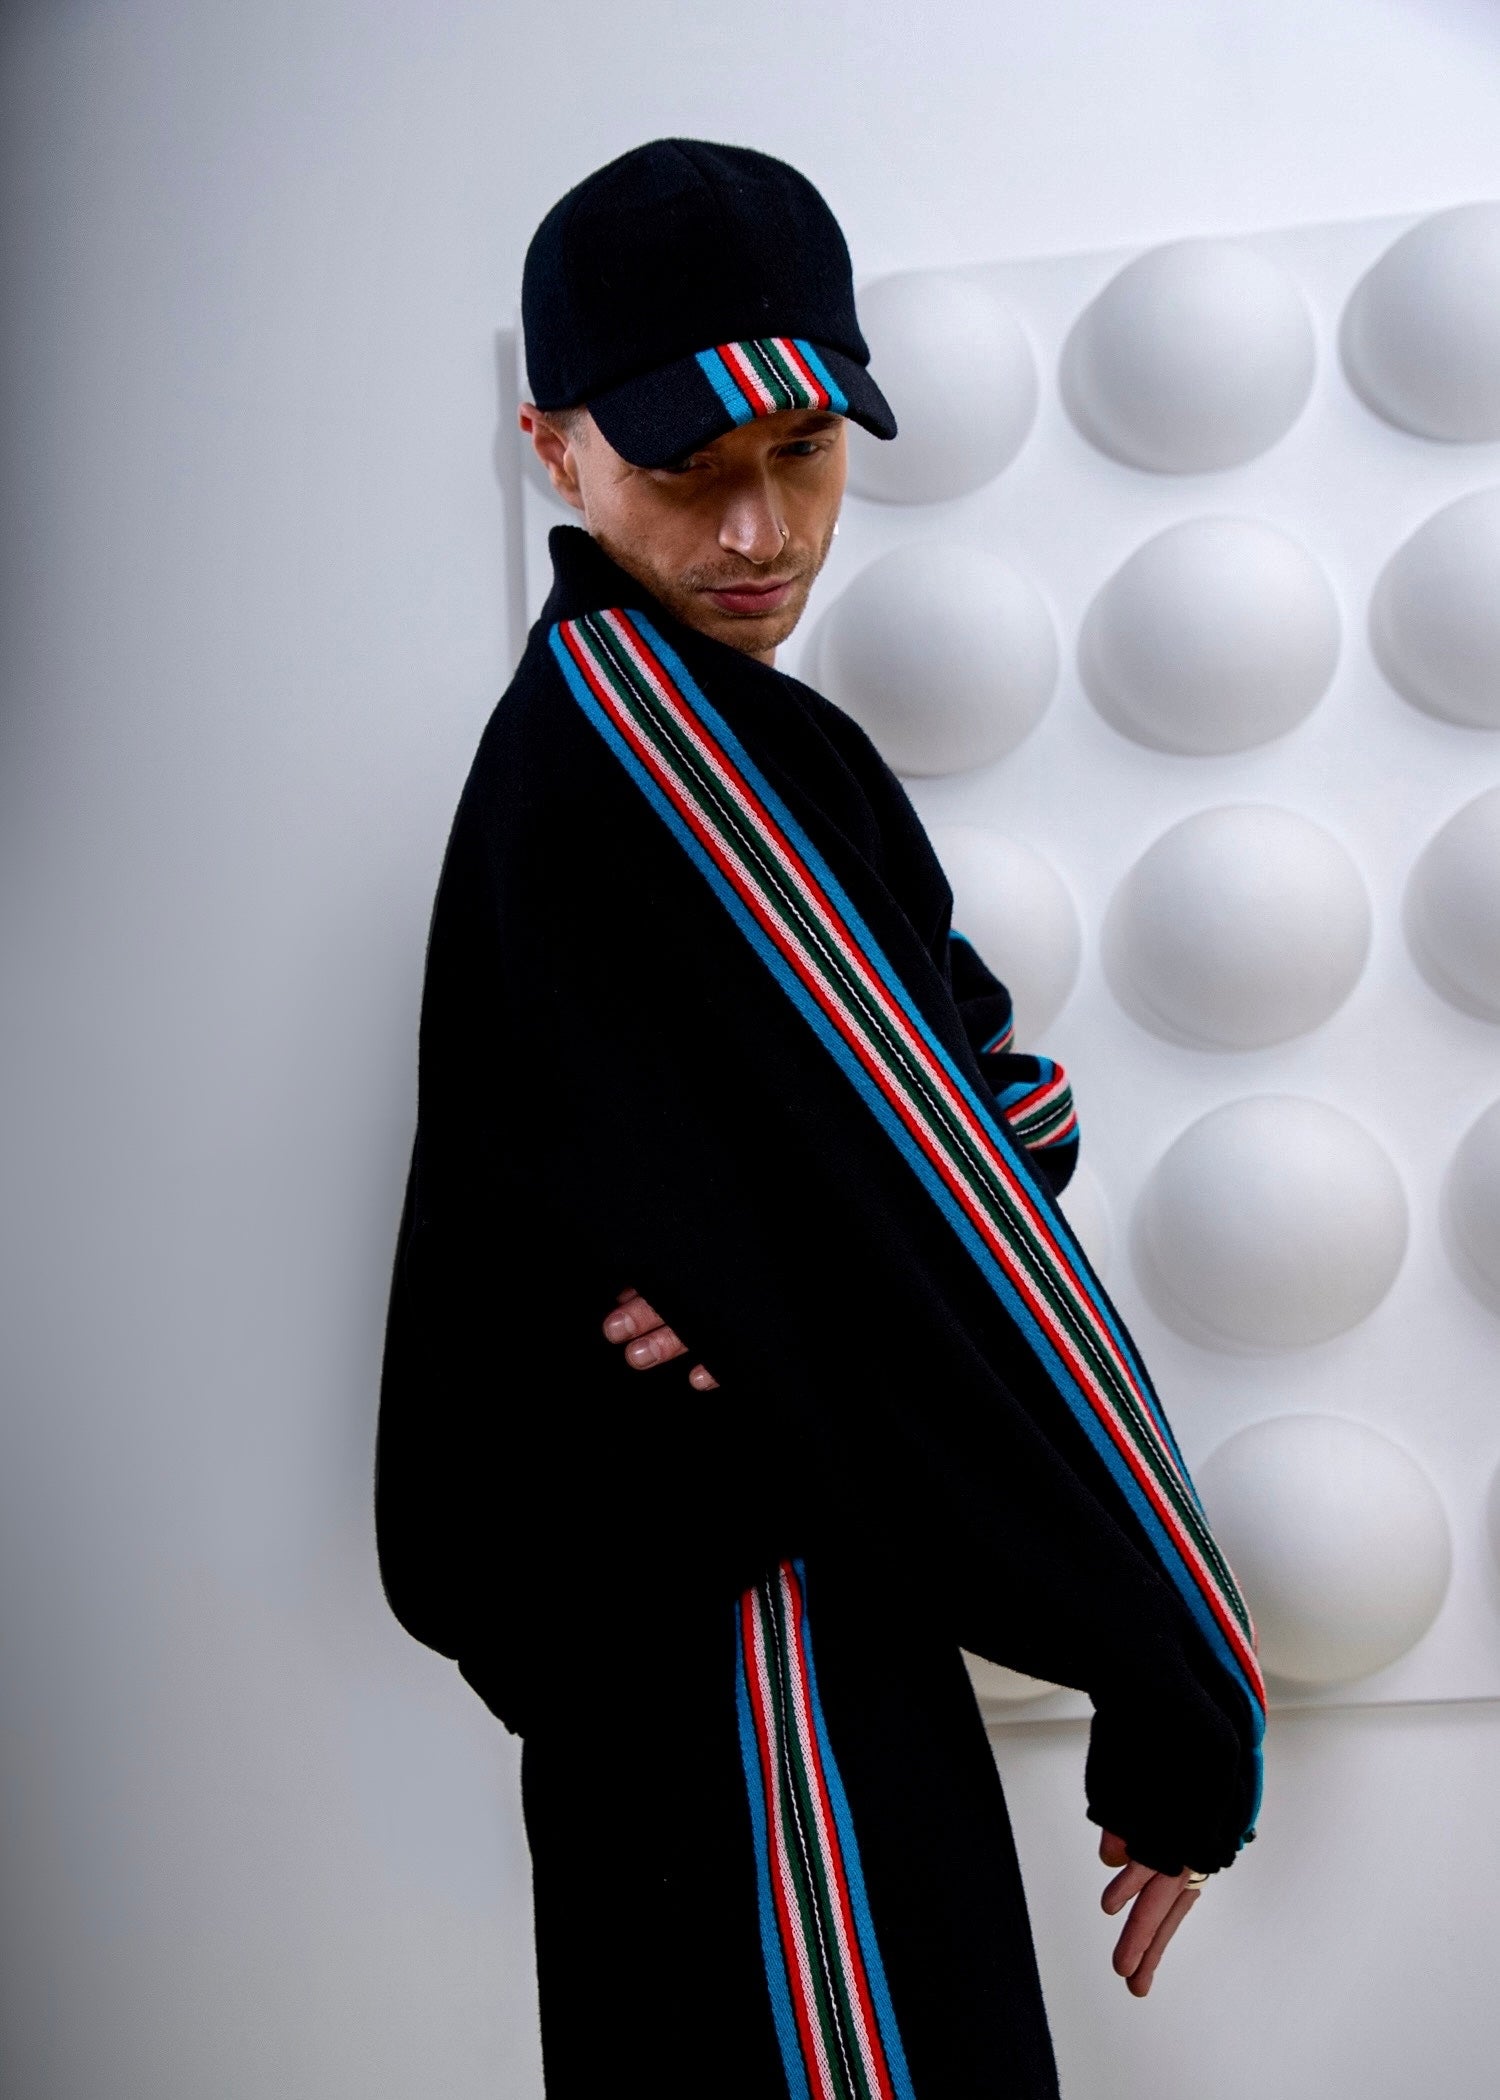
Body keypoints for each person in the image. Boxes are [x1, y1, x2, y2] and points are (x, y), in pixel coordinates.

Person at [373, 137, 1265, 2100]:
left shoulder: (636, 728)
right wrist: (1185, 1673)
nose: (759, 528)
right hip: (741, 1647)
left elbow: (951, 1116)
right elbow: (965, 1232)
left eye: (803, 448)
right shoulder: (670, 750)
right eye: (685, 466)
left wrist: (772, 1261)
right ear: (554, 450)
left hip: (698, 1645)